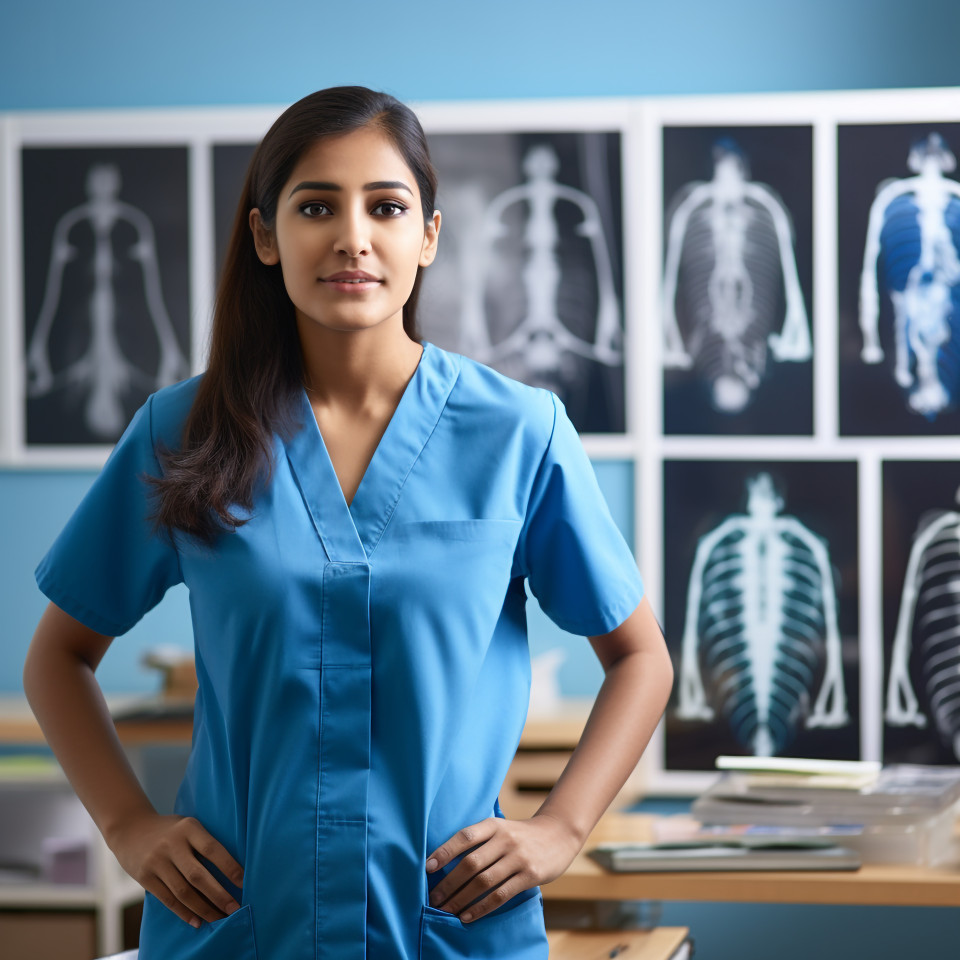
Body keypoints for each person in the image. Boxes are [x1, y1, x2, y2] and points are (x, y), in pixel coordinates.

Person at [23, 86, 674, 960]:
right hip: (239, 928)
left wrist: (561, 827)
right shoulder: (182, 431)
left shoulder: (520, 433)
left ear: (429, 236)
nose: (353, 237)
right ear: (266, 236)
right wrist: (128, 824)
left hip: (445, 929)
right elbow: (58, 657)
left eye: (387, 206)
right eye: (316, 205)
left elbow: (640, 657)